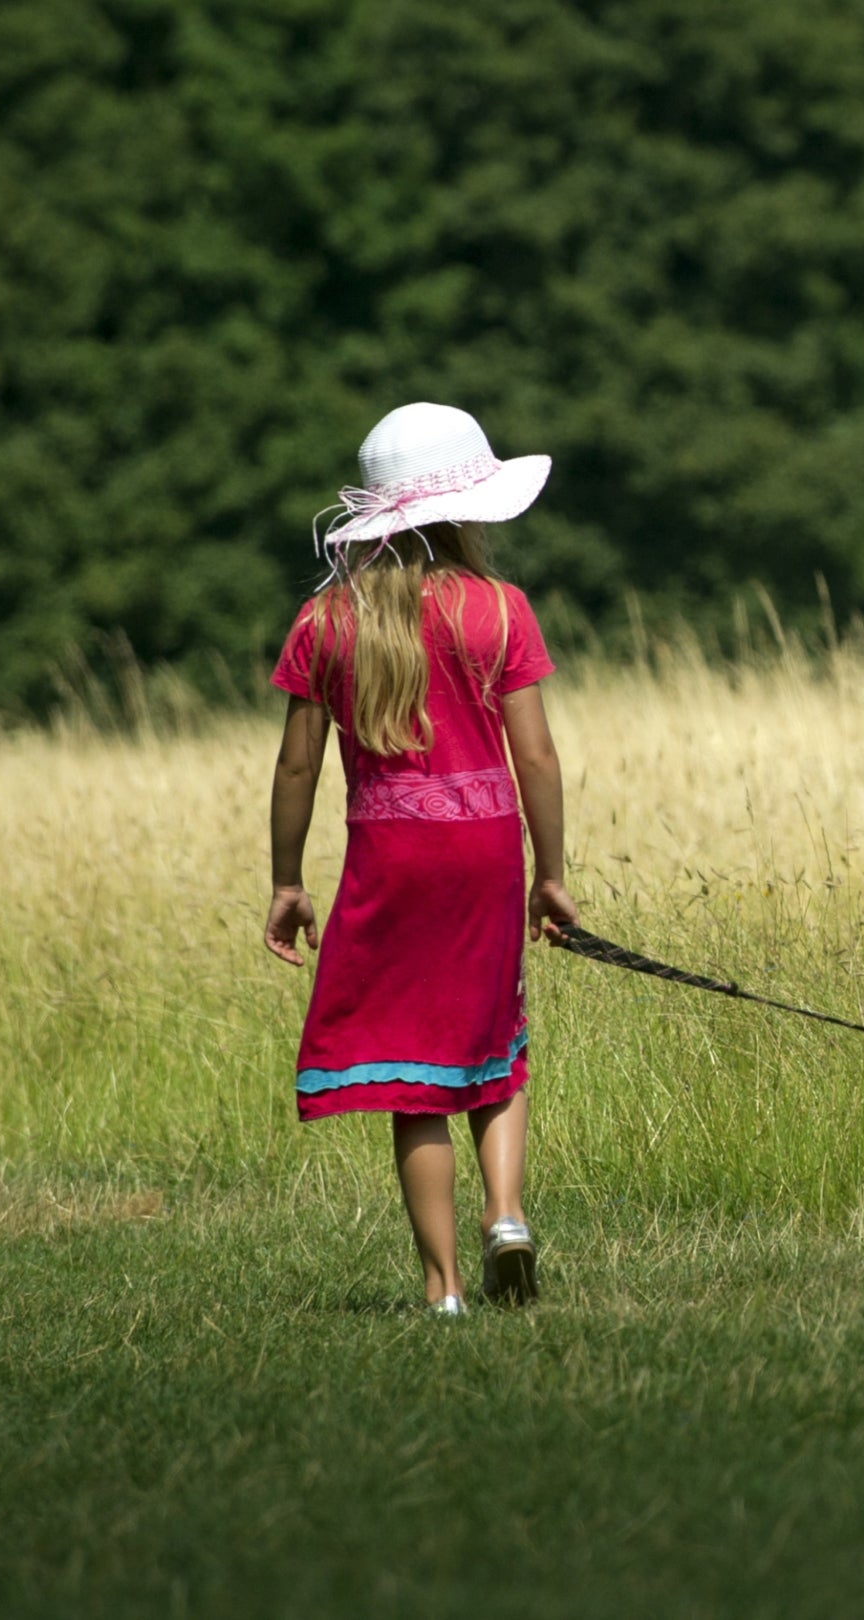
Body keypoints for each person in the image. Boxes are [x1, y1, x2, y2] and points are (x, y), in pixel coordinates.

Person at [262, 402, 582, 1315]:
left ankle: (442, 1288)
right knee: (495, 1047)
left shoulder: (326, 621)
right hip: (485, 851)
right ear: (467, 508)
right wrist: (550, 874)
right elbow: (540, 758)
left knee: (417, 1076)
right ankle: (507, 1216)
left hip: (389, 860)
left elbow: (296, 764)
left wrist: (288, 881)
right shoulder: (499, 610)